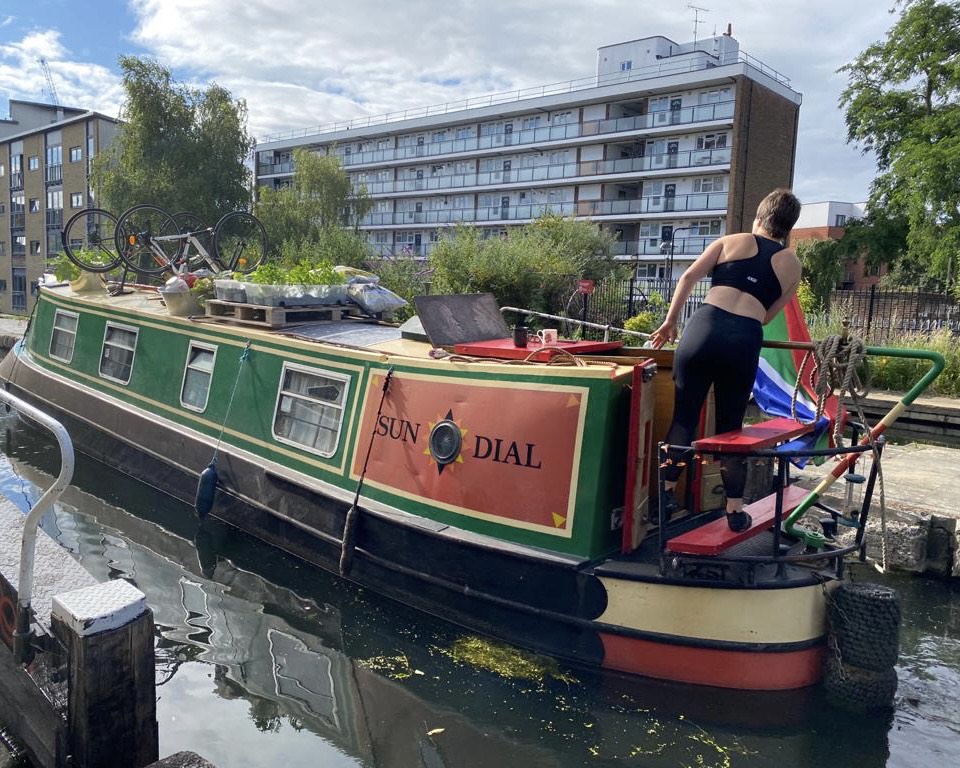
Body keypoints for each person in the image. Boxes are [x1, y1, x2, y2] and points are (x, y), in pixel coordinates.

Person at [649, 188, 802, 532]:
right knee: (731, 430)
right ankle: (734, 511)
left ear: (759, 219)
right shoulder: (792, 266)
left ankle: (666, 497)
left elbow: (688, 277)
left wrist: (670, 321)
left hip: (704, 328)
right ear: (788, 227)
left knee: (684, 418)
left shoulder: (731, 240)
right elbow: (766, 316)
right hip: (743, 339)